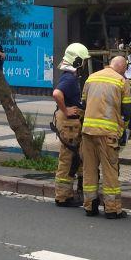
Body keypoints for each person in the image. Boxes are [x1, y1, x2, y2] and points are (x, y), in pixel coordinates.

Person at [80, 54, 130, 218]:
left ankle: (90, 206)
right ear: (122, 67)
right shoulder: (122, 81)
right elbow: (127, 110)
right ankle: (112, 209)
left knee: (89, 169)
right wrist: (124, 131)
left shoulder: (91, 78)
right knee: (110, 171)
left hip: (87, 132)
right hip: (108, 134)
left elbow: (84, 103)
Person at [52, 42, 88, 208]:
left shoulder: (70, 76)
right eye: (84, 60)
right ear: (77, 61)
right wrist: (66, 111)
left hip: (71, 125)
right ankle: (63, 197)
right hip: (69, 125)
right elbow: (57, 93)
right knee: (68, 159)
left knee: (74, 158)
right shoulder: (69, 78)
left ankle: (66, 195)